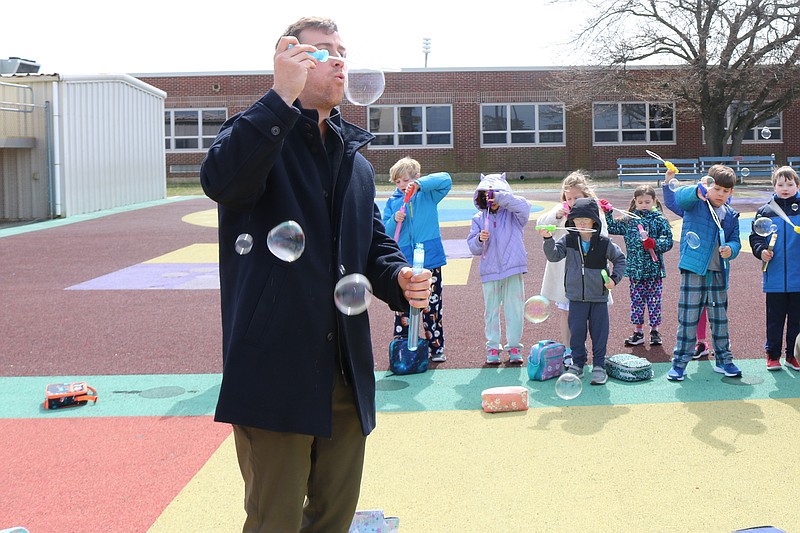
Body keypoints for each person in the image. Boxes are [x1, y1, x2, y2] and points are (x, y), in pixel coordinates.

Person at [199, 17, 432, 533]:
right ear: (292, 60)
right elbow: (222, 181)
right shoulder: (255, 135)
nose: (341, 59)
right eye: (324, 50)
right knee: (273, 522)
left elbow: (372, 245)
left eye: (343, 49)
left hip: (345, 368)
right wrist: (279, 96)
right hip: (275, 368)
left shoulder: (356, 160)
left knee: (333, 518)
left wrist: (398, 280)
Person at [539, 197, 626, 385]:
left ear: (594, 221)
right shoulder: (568, 240)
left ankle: (599, 366)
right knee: (577, 332)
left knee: (599, 332)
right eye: (578, 221)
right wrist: (547, 239)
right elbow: (553, 256)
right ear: (572, 222)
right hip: (576, 297)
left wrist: (614, 279)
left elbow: (620, 259)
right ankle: (577, 364)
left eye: (586, 221)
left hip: (598, 297)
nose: (582, 225)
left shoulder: (604, 242)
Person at [666, 165, 741, 381]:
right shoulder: (696, 205)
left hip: (718, 273)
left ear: (731, 193)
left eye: (725, 191)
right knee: (688, 319)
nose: (720, 194)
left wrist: (732, 249)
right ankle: (679, 363)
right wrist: (696, 191)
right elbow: (679, 198)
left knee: (720, 319)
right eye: (717, 189)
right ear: (708, 186)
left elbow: (735, 240)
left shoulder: (730, 215)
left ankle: (724, 360)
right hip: (693, 270)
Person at [382, 157, 452, 363]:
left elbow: (446, 180)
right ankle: (403, 348)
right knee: (403, 305)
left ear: (416, 178)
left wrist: (420, 186)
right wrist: (393, 220)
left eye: (406, 180)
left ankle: (436, 347)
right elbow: (384, 231)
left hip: (429, 261)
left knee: (432, 306)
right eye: (398, 182)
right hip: (403, 263)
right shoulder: (393, 203)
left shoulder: (428, 195)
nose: (402, 185)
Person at [537, 170, 609, 366]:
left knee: (588, 316)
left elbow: (603, 238)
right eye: (569, 198)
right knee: (566, 312)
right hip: (566, 275)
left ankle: (586, 350)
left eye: (577, 197)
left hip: (589, 277)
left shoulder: (595, 215)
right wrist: (556, 214)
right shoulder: (561, 213)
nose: (572, 201)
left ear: (586, 196)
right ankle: (569, 349)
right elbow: (540, 224)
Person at [467, 172, 531, 365]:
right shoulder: (478, 218)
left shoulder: (514, 215)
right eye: (486, 195)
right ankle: (493, 346)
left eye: (495, 194)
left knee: (515, 309)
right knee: (491, 311)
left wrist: (500, 197)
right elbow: (472, 246)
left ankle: (514, 347)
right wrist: (479, 239)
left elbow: (524, 207)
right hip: (490, 270)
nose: (491, 199)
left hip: (513, 268)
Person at [604, 185, 673, 347]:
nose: (644, 204)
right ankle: (638, 332)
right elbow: (612, 227)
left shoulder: (659, 220)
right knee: (637, 302)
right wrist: (607, 213)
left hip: (654, 271)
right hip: (635, 271)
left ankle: (655, 331)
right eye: (640, 202)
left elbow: (668, 241)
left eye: (647, 202)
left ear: (654, 202)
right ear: (635, 202)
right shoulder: (629, 220)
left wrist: (655, 243)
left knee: (654, 302)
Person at [749, 165, 800, 371]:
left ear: (797, 185)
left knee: (797, 321)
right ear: (774, 186)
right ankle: (772, 355)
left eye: (790, 184)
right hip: (775, 278)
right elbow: (756, 237)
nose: (785, 188)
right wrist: (761, 251)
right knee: (775, 320)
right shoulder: (766, 210)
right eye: (780, 184)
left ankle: (793, 356)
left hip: (798, 278)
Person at [663, 177, 712, 360]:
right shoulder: (692, 207)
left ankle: (716, 344)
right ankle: (698, 342)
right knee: (694, 306)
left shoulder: (724, 210)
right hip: (694, 264)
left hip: (714, 266)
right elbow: (671, 201)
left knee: (714, 307)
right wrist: (667, 182)